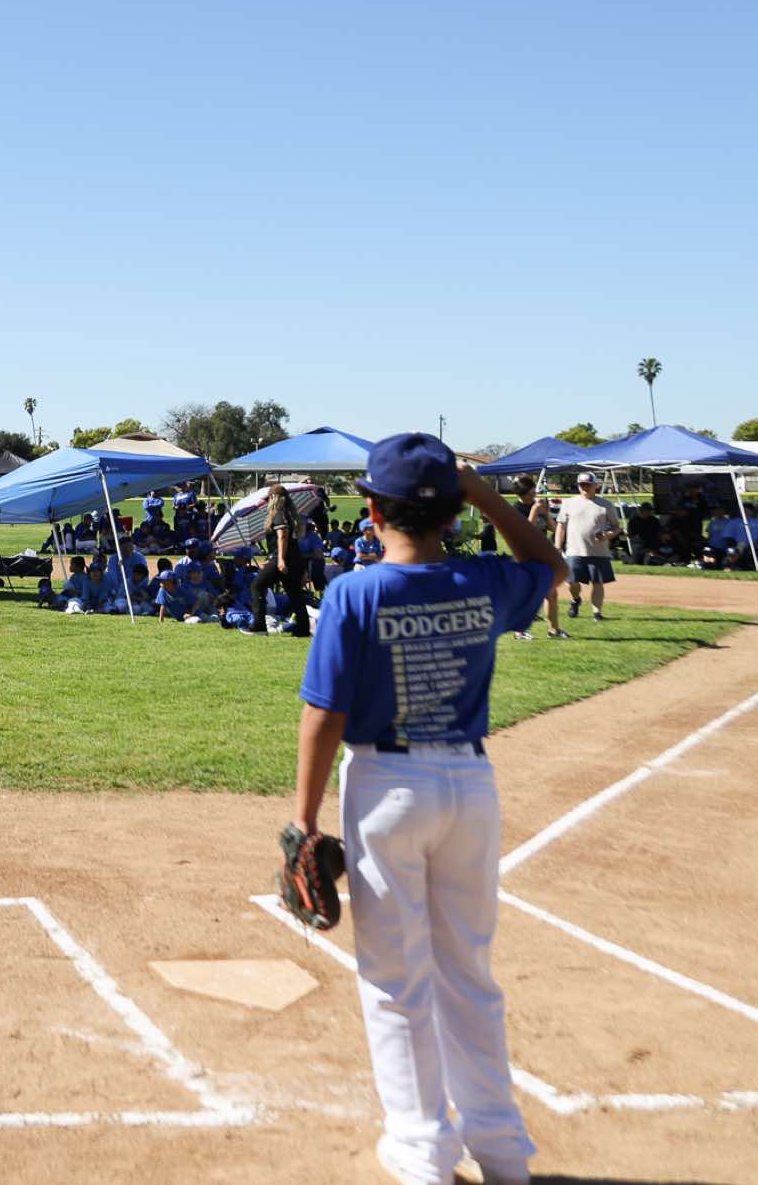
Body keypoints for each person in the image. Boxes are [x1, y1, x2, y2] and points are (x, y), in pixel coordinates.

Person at [289, 434, 565, 1185]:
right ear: (452, 510)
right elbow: (551, 565)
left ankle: (421, 1151)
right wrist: (484, 495)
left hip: (386, 785)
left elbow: (324, 714)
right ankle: (501, 1148)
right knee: (468, 970)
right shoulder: (483, 578)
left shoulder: (354, 592)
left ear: (372, 510)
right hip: (470, 786)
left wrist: (304, 820)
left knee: (395, 977)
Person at [554, 471, 621, 623]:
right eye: (582, 484)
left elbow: (617, 527)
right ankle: (575, 599)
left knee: (597, 582)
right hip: (574, 550)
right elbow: (561, 526)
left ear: (595, 486)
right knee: (572, 582)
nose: (585, 487)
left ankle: (597, 613)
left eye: (588, 484)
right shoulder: (569, 503)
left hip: (599, 552)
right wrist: (558, 546)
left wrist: (607, 535)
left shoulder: (605, 505)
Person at [245, 484, 311, 638]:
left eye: (269, 499)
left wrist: (280, 559)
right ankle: (303, 628)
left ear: (274, 499)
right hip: (295, 559)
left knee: (257, 586)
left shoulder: (278, 514)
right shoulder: (290, 515)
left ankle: (259, 626)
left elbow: (283, 536)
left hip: (283, 558)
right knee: (295, 593)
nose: (267, 502)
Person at [506, 475, 565, 640]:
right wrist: (533, 511)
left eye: (533, 492)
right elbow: (523, 533)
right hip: (524, 556)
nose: (532, 496)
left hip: (542, 555)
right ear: (520, 494)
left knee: (551, 593)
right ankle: (519, 632)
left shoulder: (539, 505)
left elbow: (554, 528)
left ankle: (554, 630)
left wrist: (546, 514)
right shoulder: (514, 509)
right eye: (528, 494)